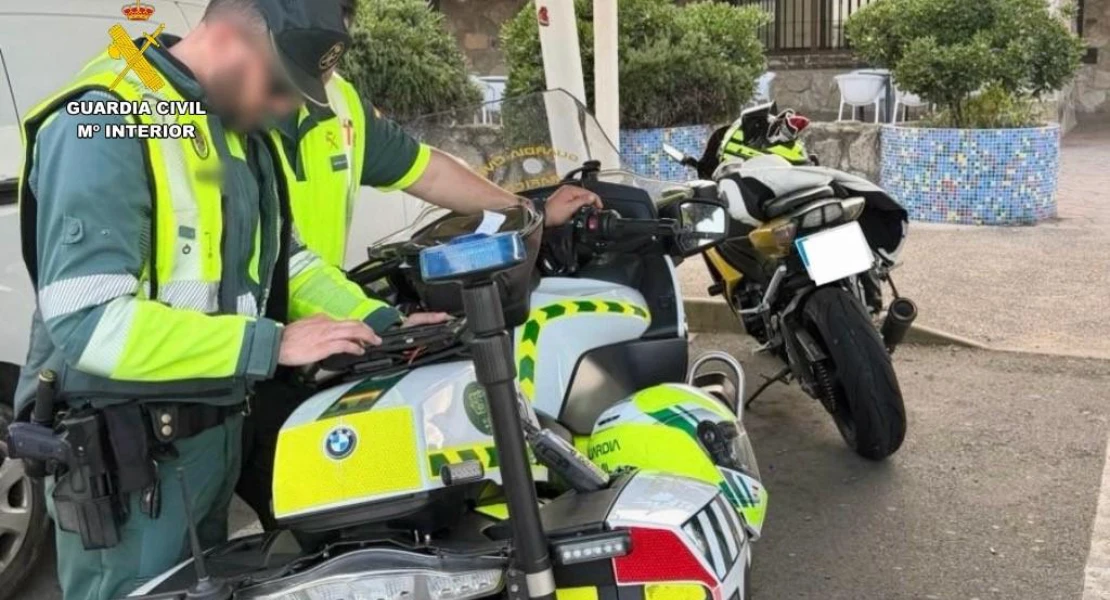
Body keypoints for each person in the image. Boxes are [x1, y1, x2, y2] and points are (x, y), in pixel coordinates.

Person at [14, 0, 440, 597]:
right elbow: (90, 324)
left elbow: (283, 261)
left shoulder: (228, 132)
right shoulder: (106, 122)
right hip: (132, 469)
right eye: (279, 85)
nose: (286, 106)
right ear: (233, 41)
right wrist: (272, 343)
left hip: (207, 449)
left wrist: (383, 323)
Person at [236, 0, 602, 529]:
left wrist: (527, 211)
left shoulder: (337, 100)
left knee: (330, 524)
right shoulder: (186, 105)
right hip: (210, 363)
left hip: (309, 341)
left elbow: (424, 169)